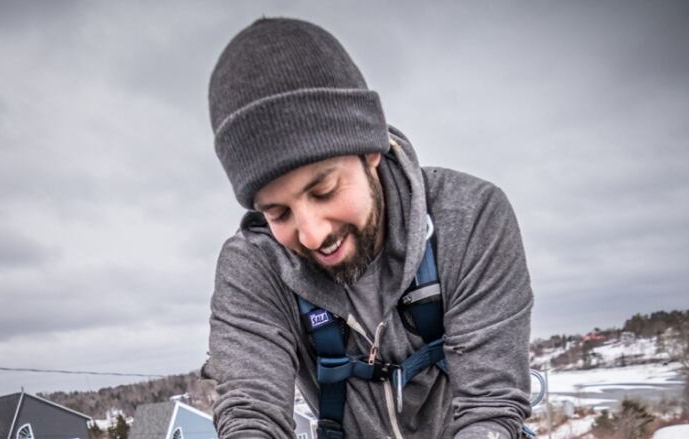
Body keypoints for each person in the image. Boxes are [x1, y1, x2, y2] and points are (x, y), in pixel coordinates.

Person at [203, 17, 534, 439]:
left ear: (370, 149)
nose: (312, 234)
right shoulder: (255, 267)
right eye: (278, 213)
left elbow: (491, 407)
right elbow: (251, 414)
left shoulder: (472, 219)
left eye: (323, 190)